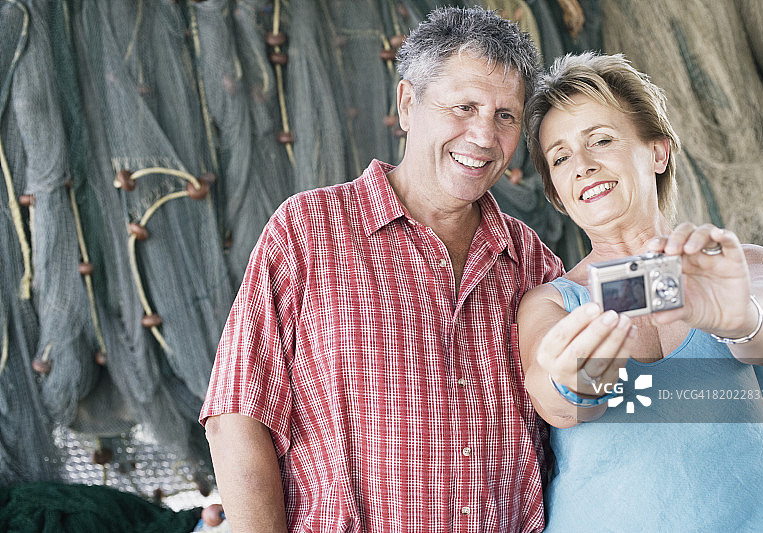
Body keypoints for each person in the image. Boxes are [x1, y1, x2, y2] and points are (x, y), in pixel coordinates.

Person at [199, 7, 564, 532]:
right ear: (408, 104)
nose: (485, 136)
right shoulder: (309, 230)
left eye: (506, 115)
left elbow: (575, 419)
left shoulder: (533, 263)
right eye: (464, 107)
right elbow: (238, 416)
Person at [517, 52, 763, 531]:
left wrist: (739, 319)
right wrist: (578, 375)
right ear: (557, 194)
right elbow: (558, 400)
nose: (582, 165)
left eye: (601, 140)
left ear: (658, 152)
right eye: (560, 157)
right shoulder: (550, 302)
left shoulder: (745, 265)